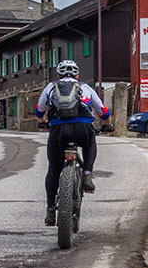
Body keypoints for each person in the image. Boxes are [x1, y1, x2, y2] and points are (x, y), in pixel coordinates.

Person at [35, 60, 111, 226]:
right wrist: (106, 125)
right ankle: (87, 174)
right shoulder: (85, 88)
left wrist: (42, 122)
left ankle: (50, 210)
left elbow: (39, 110)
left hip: (58, 131)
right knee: (90, 143)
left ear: (58, 75)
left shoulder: (50, 87)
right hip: (82, 128)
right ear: (77, 75)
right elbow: (103, 111)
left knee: (53, 170)